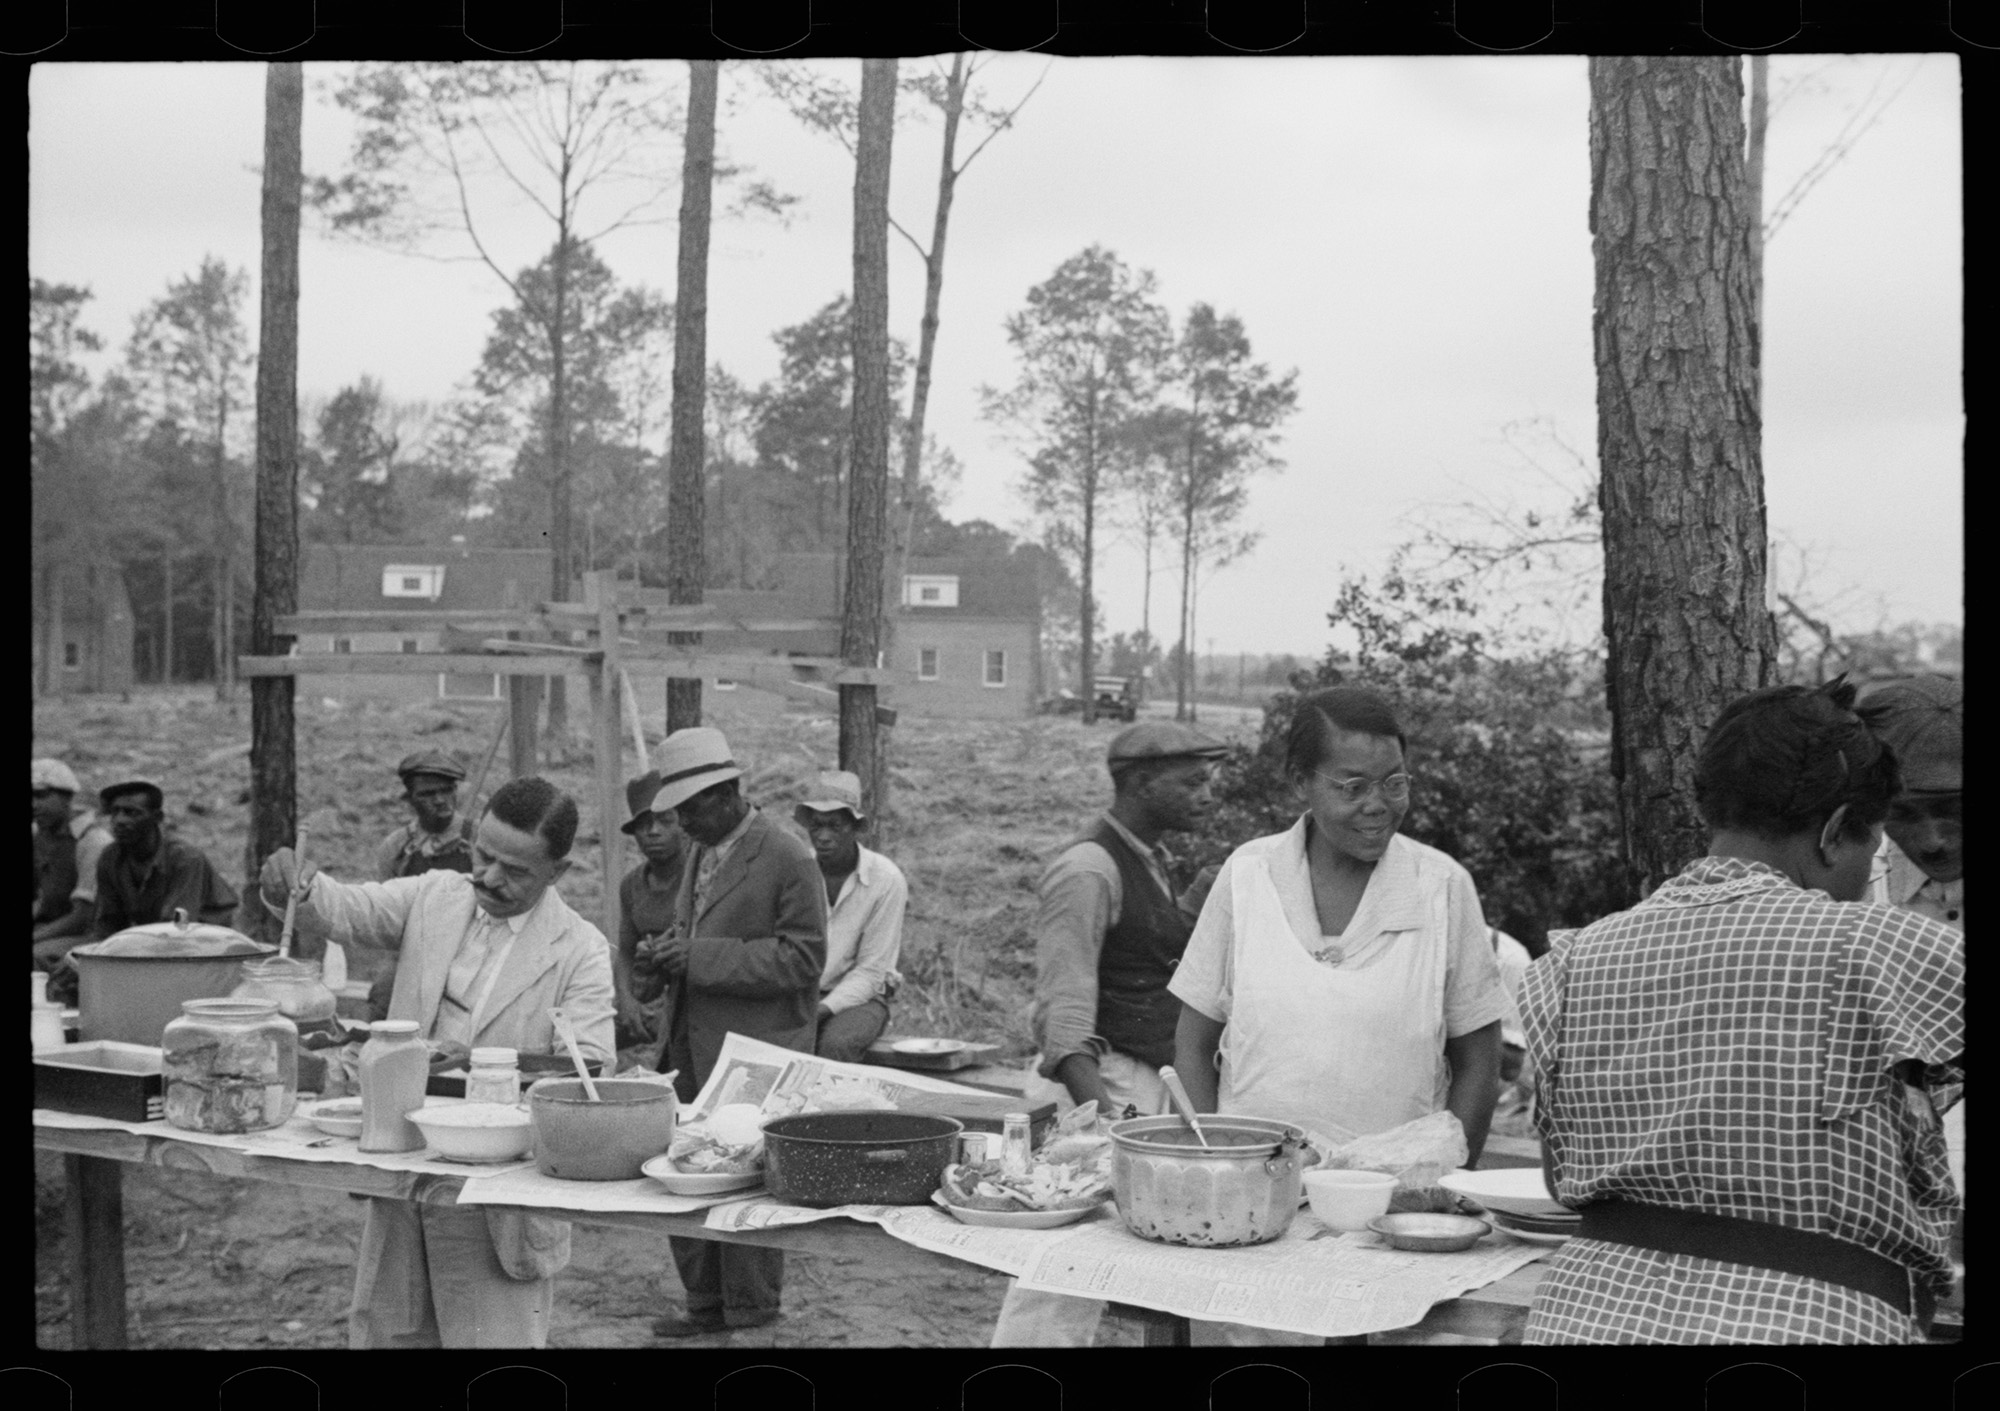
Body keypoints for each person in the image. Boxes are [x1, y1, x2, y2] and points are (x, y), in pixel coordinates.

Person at [1521, 679, 1963, 1345]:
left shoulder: (1571, 961)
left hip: (1586, 1317)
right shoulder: (1888, 946)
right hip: (1811, 1325)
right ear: (1838, 830)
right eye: (1872, 847)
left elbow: (1563, 1177)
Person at [1170, 686, 1509, 1346]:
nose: (1376, 805)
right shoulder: (1248, 874)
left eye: (1394, 783)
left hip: (1393, 1217)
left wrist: (1440, 1189)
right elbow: (1193, 1036)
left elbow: (1478, 1055)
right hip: (1257, 1205)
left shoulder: (1442, 886)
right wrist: (1212, 1162)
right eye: (1351, 785)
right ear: (1303, 781)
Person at [259, 776, 616, 1349]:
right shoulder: (435, 895)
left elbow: (590, 1071)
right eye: (484, 856)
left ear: (559, 871)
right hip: (404, 1167)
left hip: (499, 1197)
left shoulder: (580, 949)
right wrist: (296, 885)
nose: (491, 879)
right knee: (388, 1338)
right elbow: (348, 909)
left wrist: (482, 1062)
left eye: (517, 870)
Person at [990, 720, 1226, 1348]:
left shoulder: (1148, 861)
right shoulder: (1089, 869)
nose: (1208, 794)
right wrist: (1102, 1119)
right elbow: (1063, 1016)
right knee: (1060, 1271)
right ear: (1143, 783)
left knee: (1168, 1250)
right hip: (1106, 1086)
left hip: (1145, 1082)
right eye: (1193, 782)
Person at [635, 727, 827, 1339]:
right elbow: (698, 934)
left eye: (691, 808)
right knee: (684, 1170)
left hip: (756, 1054)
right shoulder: (700, 848)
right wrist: (666, 955)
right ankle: (704, 1307)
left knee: (746, 1181)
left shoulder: (788, 856)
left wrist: (700, 957)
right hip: (690, 1042)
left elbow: (802, 961)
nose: (682, 822)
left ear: (727, 793)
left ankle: (752, 1315)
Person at [796, 770, 908, 1064]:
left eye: (834, 826)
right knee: (775, 1042)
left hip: (863, 997)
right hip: (800, 991)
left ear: (854, 826)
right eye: (816, 826)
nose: (823, 836)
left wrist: (821, 1010)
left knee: (837, 1045)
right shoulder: (797, 871)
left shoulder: (886, 880)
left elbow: (871, 972)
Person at [367, 750, 477, 1021]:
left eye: (446, 790)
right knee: (383, 996)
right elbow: (386, 914)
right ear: (410, 800)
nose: (440, 800)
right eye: (427, 794)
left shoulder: (478, 838)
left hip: (469, 949)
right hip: (412, 951)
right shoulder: (396, 848)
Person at [89, 778, 240, 942]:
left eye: (131, 813)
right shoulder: (110, 858)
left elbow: (177, 927)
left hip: (207, 941)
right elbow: (107, 924)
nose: (119, 821)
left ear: (157, 817)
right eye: (115, 812)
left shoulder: (185, 859)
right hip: (158, 939)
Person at [614, 768, 684, 1050]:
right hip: (648, 990)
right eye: (644, 825)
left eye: (664, 820)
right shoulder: (632, 884)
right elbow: (625, 951)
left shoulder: (699, 873)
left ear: (681, 823)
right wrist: (626, 1001)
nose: (653, 831)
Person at [32, 759, 114, 981]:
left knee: (35, 957)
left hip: (88, 935)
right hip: (50, 928)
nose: (34, 805)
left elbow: (82, 916)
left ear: (66, 797)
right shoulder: (38, 836)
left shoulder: (92, 841)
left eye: (41, 796)